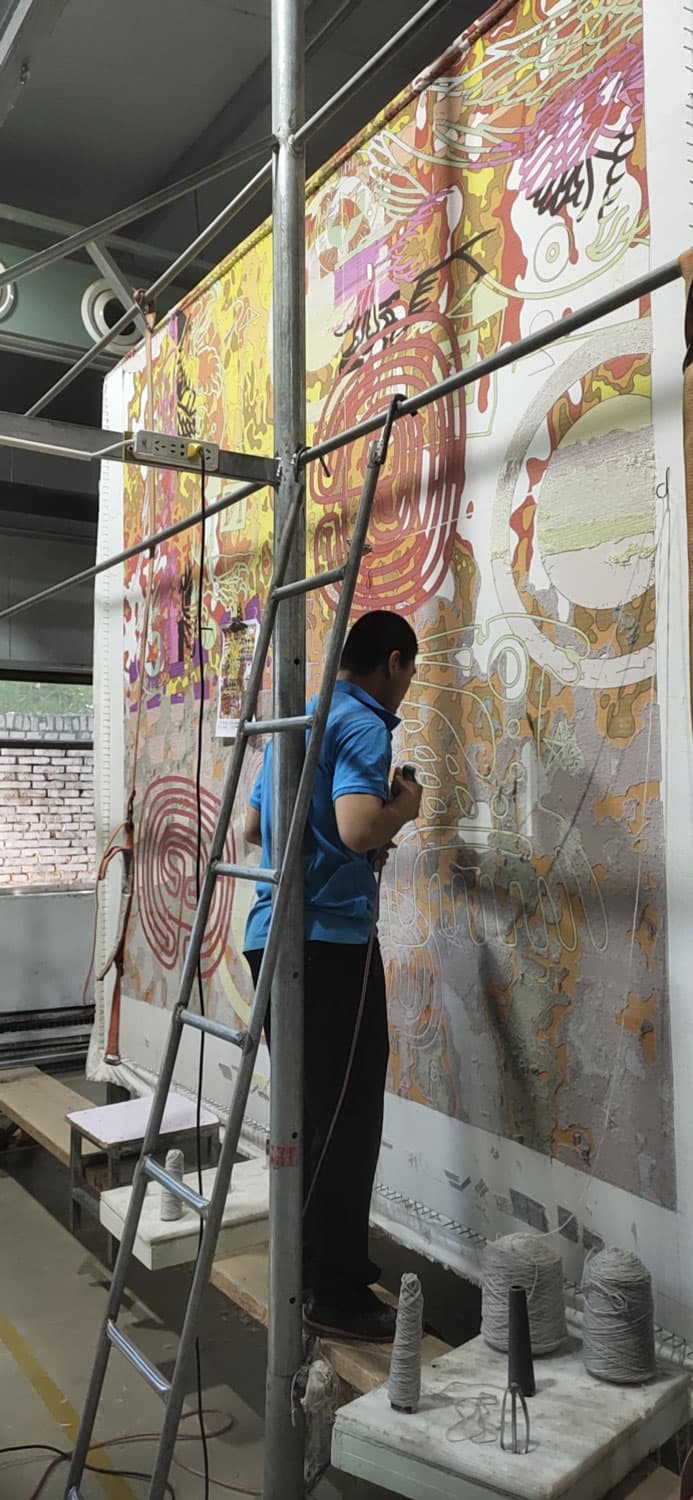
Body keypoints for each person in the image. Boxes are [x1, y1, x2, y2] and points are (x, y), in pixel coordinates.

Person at [243, 609, 422, 1343]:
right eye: (408, 673)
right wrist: (401, 810)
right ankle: (335, 1293)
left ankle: (313, 1267)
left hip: (271, 939)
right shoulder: (363, 722)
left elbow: (252, 829)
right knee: (346, 1123)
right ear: (392, 662)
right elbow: (356, 828)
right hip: (327, 948)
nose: (405, 688)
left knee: (312, 1118)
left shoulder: (302, 713)